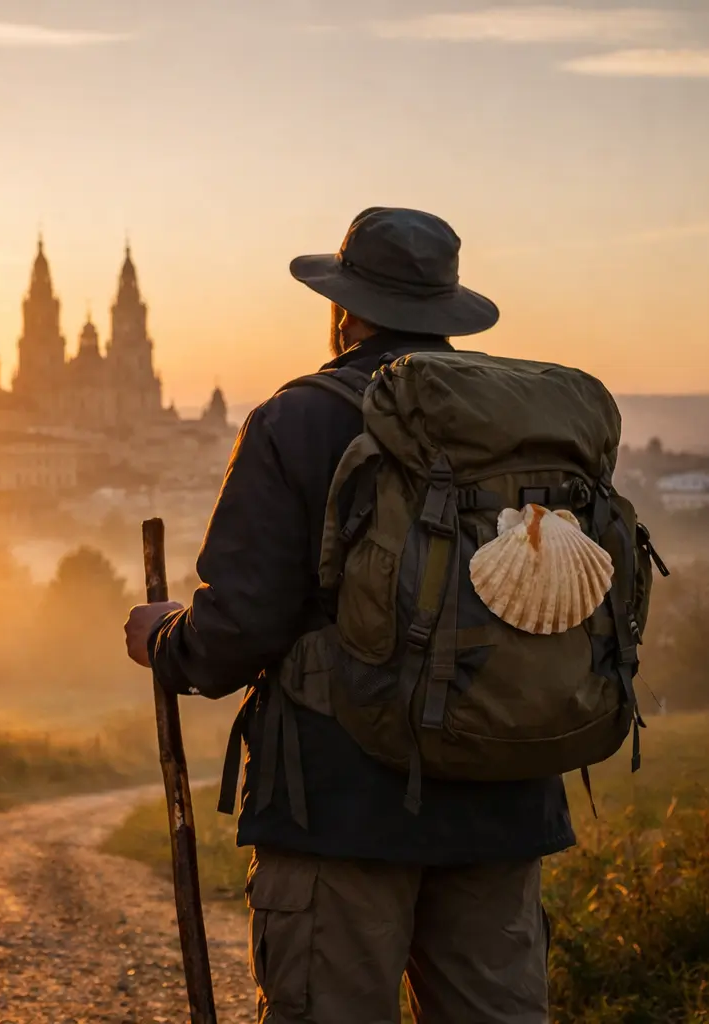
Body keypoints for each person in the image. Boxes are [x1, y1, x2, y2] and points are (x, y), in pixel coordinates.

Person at [124, 207, 570, 1024]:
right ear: (445, 310)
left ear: (346, 311)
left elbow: (237, 632)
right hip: (504, 796)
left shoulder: (299, 420)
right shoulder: (524, 423)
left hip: (339, 802)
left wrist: (163, 639)